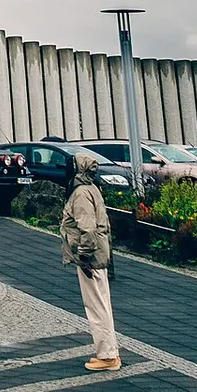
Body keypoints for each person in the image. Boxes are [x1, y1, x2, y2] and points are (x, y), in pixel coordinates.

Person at [60, 151, 122, 372]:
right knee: (102, 304)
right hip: (98, 257)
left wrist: (84, 257)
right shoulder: (92, 189)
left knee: (96, 307)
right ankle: (110, 352)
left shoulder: (81, 193)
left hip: (91, 260)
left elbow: (87, 229)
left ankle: (107, 356)